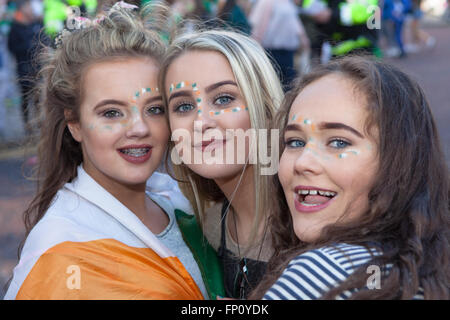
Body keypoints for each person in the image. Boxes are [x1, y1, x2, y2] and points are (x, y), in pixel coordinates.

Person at [4, 2, 211, 300]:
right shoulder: (62, 252)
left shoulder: (181, 205)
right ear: (74, 123)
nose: (139, 128)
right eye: (112, 113)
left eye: (154, 109)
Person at [250, 55, 450, 299]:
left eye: (338, 142)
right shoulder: (427, 266)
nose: (303, 162)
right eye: (294, 142)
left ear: (398, 161)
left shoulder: (322, 273)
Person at [159, 29, 284, 299]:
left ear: (264, 105)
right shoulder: (206, 229)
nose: (202, 122)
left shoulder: (315, 223)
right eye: (183, 106)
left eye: (224, 99)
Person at [249, 0, 310, 89]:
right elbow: (259, 25)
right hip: (271, 50)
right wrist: (254, 47)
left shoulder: (287, 3)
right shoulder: (266, 2)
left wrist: (304, 40)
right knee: (273, 82)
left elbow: (295, 24)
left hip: (288, 51)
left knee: (288, 83)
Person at [7, 0, 44, 135]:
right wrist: (28, 48)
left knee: (38, 96)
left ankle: (40, 122)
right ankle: (28, 125)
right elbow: (12, 47)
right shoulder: (15, 27)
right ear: (22, 9)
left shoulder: (36, 23)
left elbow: (43, 39)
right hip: (23, 68)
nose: (31, 9)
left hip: (37, 68)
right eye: (28, 6)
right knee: (25, 97)